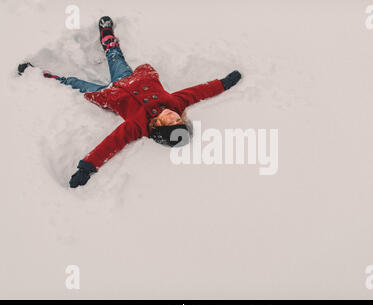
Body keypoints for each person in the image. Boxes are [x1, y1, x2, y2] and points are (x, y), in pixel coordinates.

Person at [19, 16, 242, 188]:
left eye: (170, 121)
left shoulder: (138, 125)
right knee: (115, 56)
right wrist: (224, 83)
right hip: (128, 77)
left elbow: (113, 142)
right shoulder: (175, 103)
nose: (173, 115)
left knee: (75, 83)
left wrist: (87, 167)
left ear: (160, 127)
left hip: (107, 94)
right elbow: (198, 92)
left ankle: (39, 74)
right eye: (178, 119)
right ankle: (106, 32)